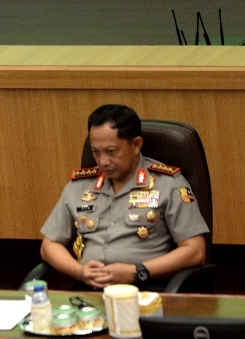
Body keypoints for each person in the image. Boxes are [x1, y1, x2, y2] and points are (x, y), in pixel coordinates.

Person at [40, 104, 210, 289]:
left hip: (144, 290)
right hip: (87, 292)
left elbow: (195, 251)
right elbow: (49, 245)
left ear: (136, 145)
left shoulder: (168, 184)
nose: (103, 161)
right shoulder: (80, 186)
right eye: (96, 152)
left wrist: (136, 271)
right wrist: (78, 271)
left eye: (111, 151)